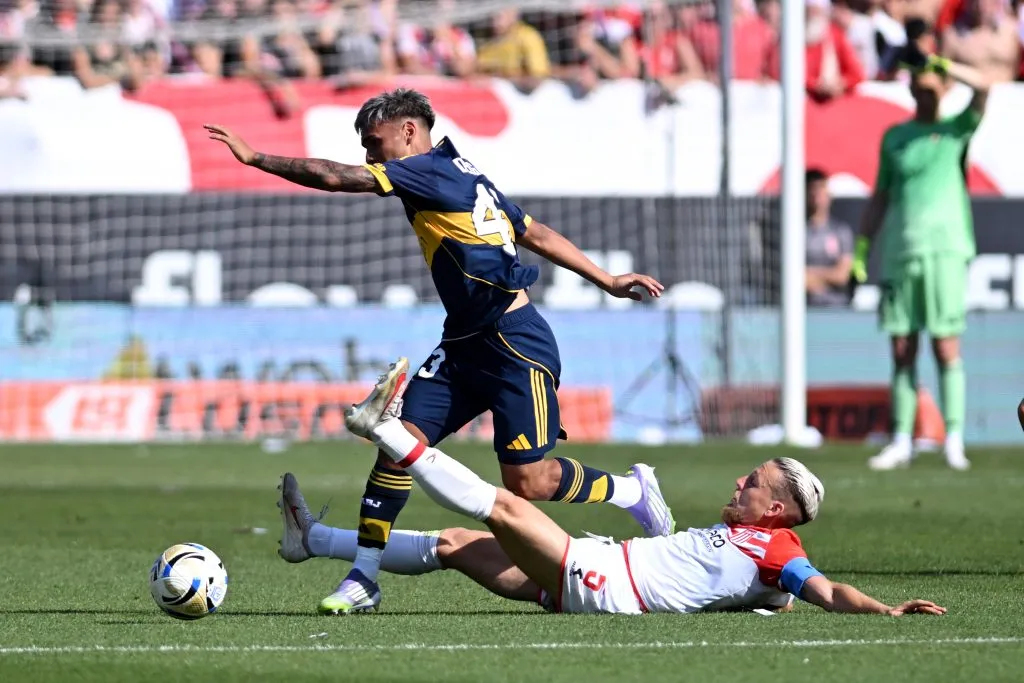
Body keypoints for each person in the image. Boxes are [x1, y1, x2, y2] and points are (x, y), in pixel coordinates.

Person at [205, 89, 670, 615]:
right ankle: (365, 576)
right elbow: (530, 229)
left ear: (408, 131)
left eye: (374, 143)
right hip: (464, 343)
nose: (369, 157)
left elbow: (339, 178)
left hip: (517, 342)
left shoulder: (425, 167)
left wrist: (257, 158)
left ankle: (629, 491)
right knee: (397, 440)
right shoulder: (459, 169)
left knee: (528, 481)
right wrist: (607, 278)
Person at [276, 360, 946, 618]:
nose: (739, 482)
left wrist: (886, 611)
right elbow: (771, 595)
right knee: (455, 543)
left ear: (776, 508)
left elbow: (822, 588)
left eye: (753, 483)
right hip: (598, 572)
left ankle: (388, 430)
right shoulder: (759, 557)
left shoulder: (779, 547)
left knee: (510, 503)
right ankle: (314, 541)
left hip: (602, 580)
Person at [850, 39, 990, 472]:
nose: (925, 94)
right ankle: (901, 440)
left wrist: (948, 63)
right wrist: (863, 246)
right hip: (900, 252)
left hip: (946, 251)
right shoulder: (895, 137)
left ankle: (953, 439)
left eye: (933, 87)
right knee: (901, 348)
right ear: (911, 90)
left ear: (944, 89)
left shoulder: (956, 129)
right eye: (919, 87)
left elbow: (985, 86)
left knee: (946, 346)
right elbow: (881, 196)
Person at [805, 168, 854, 307]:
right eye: (812, 189)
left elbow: (842, 276)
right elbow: (793, 277)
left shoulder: (841, 231)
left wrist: (810, 274)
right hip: (804, 309)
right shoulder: (795, 233)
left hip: (836, 307)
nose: (816, 195)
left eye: (821, 189)